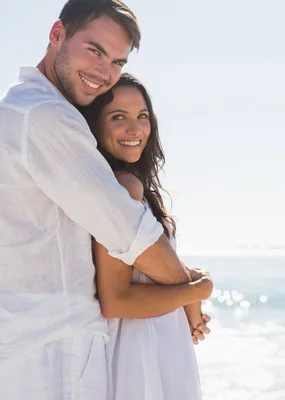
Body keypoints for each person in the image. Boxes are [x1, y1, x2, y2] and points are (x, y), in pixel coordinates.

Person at [0, 1, 210, 399]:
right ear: (57, 34)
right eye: (95, 51)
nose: (104, 72)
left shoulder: (22, 110)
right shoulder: (42, 114)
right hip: (51, 355)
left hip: (41, 349)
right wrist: (194, 293)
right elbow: (128, 232)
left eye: (116, 61)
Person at [79, 73, 209, 399]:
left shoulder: (130, 185)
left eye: (142, 116)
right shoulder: (124, 187)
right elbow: (116, 300)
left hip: (157, 344)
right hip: (141, 352)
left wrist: (187, 285)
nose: (135, 129)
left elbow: (145, 269)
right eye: (118, 116)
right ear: (94, 126)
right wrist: (197, 290)